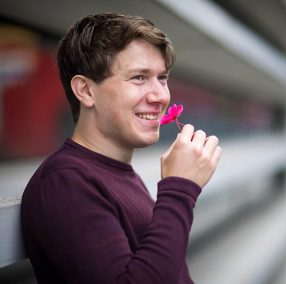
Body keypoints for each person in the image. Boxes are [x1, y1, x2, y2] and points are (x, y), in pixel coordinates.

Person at [21, 13, 222, 284]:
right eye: (139, 78)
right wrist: (179, 189)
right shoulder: (65, 182)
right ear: (86, 91)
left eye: (162, 78)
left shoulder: (118, 175)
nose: (161, 96)